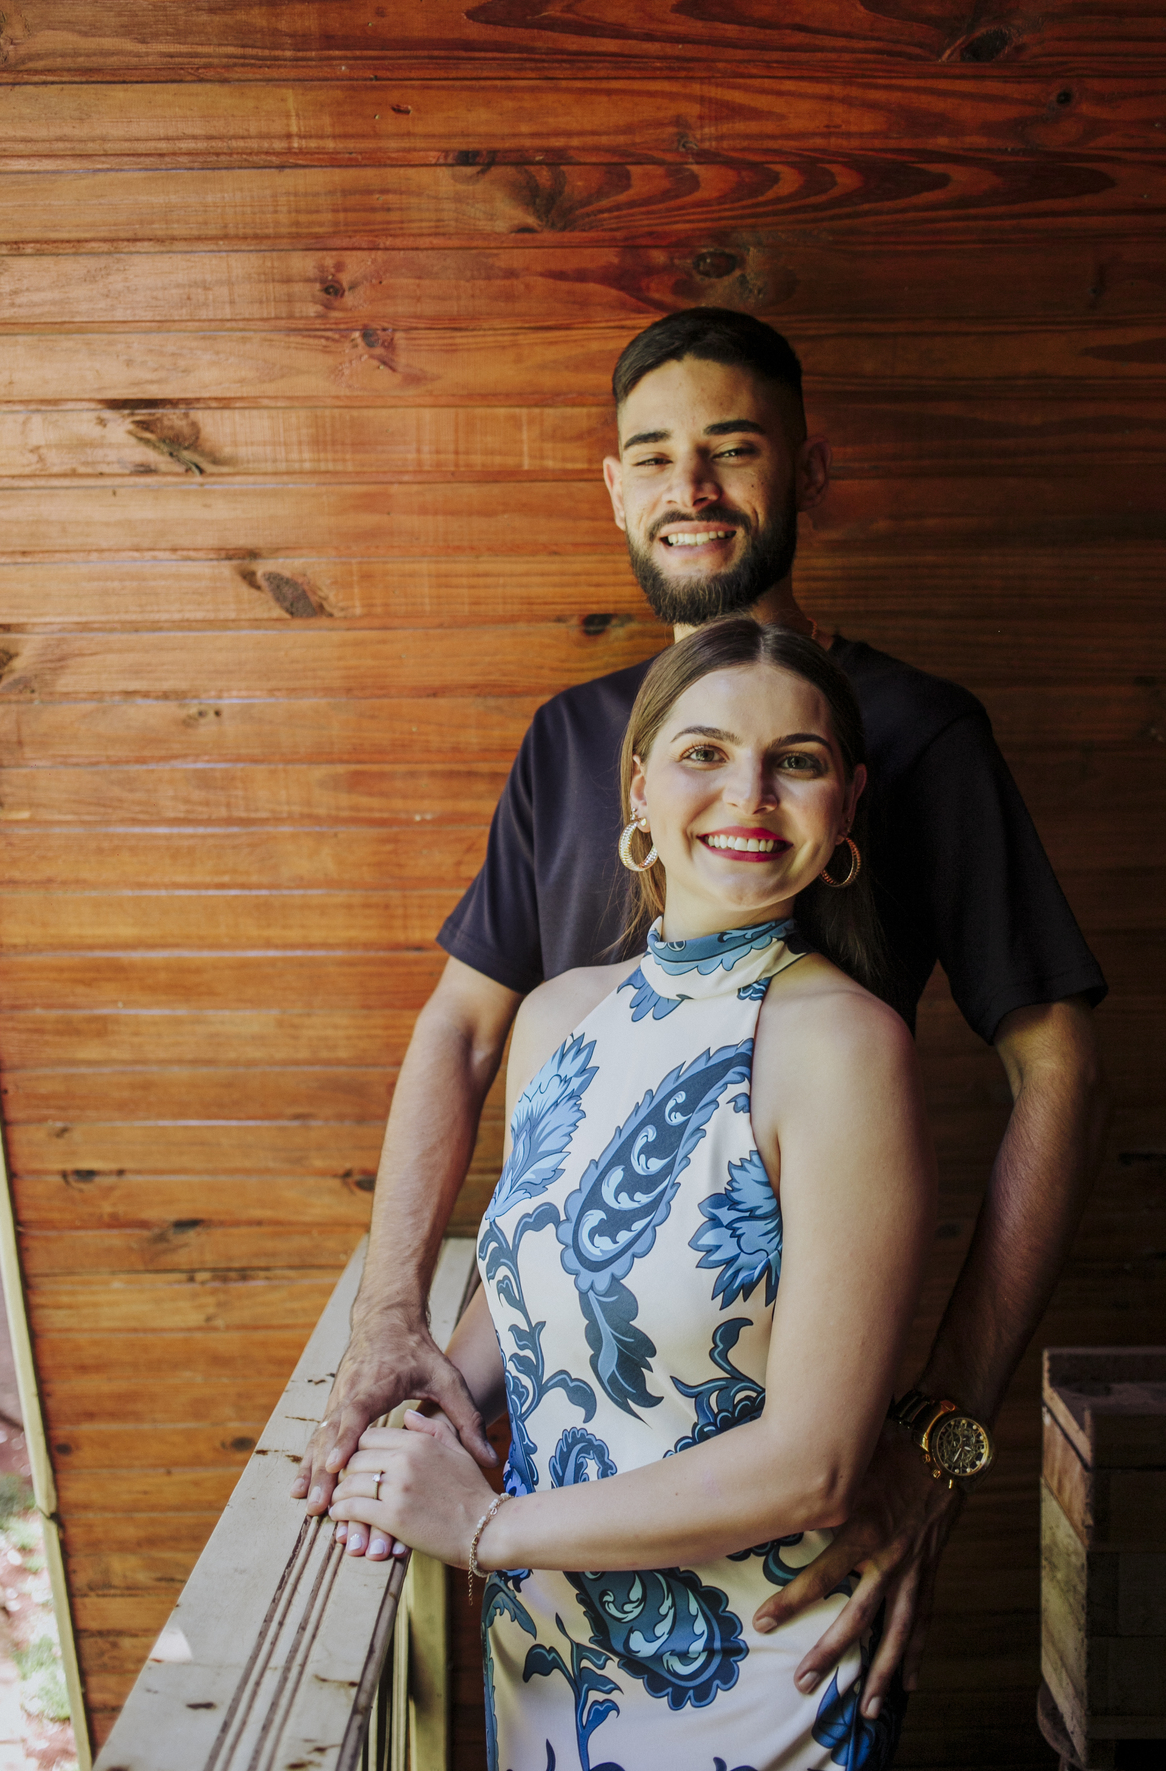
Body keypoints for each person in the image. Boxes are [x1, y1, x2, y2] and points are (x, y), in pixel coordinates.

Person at [293, 308, 1108, 1719]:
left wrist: (940, 1434)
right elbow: (463, 1034)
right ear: (615, 487)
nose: (695, 488)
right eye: (658, 457)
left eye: (733, 449)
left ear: (807, 470)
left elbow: (1062, 1075)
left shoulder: (918, 739)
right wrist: (395, 1323)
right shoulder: (571, 743)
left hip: (771, 1521)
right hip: (558, 1554)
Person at [330, 620, 936, 1770]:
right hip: (545, 1652)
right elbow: (533, 1285)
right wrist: (419, 1406)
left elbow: (814, 1466)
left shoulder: (847, 1049)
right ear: (640, 786)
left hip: (755, 1682)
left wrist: (483, 1525)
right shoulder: (556, 1015)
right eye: (706, 753)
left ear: (846, 803)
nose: (749, 794)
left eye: (796, 761)